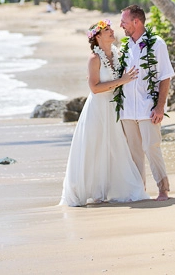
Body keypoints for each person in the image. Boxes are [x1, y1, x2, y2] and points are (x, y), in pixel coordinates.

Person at [60, 19, 149, 207]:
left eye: (110, 29)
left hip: (114, 108)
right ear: (98, 37)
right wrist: (123, 80)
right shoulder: (94, 59)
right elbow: (94, 88)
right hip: (98, 109)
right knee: (95, 148)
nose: (112, 31)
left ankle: (115, 188)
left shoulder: (117, 54)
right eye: (107, 30)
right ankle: (90, 191)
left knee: (116, 147)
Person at [118, 4, 175, 201]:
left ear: (137, 21)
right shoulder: (125, 46)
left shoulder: (157, 44)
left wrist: (160, 106)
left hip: (147, 107)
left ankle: (163, 189)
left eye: (124, 22)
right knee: (134, 152)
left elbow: (165, 76)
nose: (121, 25)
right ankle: (139, 190)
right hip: (127, 110)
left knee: (152, 147)